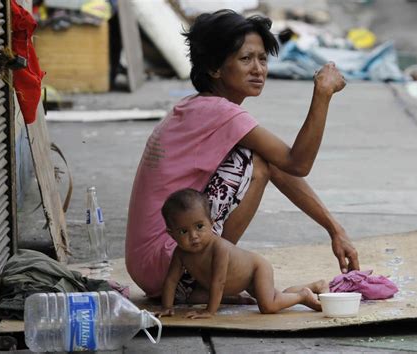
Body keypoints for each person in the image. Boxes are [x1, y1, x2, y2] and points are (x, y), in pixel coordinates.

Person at [126, 9, 360, 303]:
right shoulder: (220, 112)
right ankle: (207, 280)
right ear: (214, 68)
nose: (258, 69)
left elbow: (285, 167)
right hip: (168, 262)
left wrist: (334, 230)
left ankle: (210, 279)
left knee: (260, 158)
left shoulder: (198, 107)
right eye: (245, 59)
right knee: (256, 161)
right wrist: (322, 94)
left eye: (262, 59)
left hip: (152, 264)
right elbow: (297, 163)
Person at [158, 188, 329, 318]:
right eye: (183, 232)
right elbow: (171, 280)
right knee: (277, 297)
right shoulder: (181, 254)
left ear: (211, 223)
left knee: (268, 306)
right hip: (244, 280)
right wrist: (167, 307)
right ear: (171, 234)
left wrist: (210, 311)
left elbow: (219, 282)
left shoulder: (219, 248)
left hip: (256, 269)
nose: (194, 236)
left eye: (199, 226)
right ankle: (314, 286)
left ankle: (303, 295)